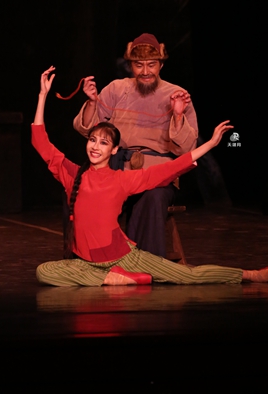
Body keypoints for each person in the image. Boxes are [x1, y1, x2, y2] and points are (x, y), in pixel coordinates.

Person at [33, 66, 268, 287]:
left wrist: (211, 144)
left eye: (103, 143)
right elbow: (41, 143)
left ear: (114, 150)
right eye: (92, 140)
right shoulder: (72, 174)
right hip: (87, 263)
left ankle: (252, 274)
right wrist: (43, 95)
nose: (95, 147)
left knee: (187, 275)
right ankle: (111, 278)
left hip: (125, 258)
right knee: (44, 271)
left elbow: (170, 168)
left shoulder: (122, 180)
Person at [73, 33, 198, 257]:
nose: (145, 71)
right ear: (130, 65)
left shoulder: (176, 94)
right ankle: (90, 258)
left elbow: (187, 149)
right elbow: (89, 131)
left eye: (151, 65)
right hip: (118, 172)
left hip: (156, 174)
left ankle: (146, 261)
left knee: (153, 196)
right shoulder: (116, 89)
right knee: (81, 191)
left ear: (161, 65)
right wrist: (92, 102)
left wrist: (178, 116)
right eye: (139, 65)